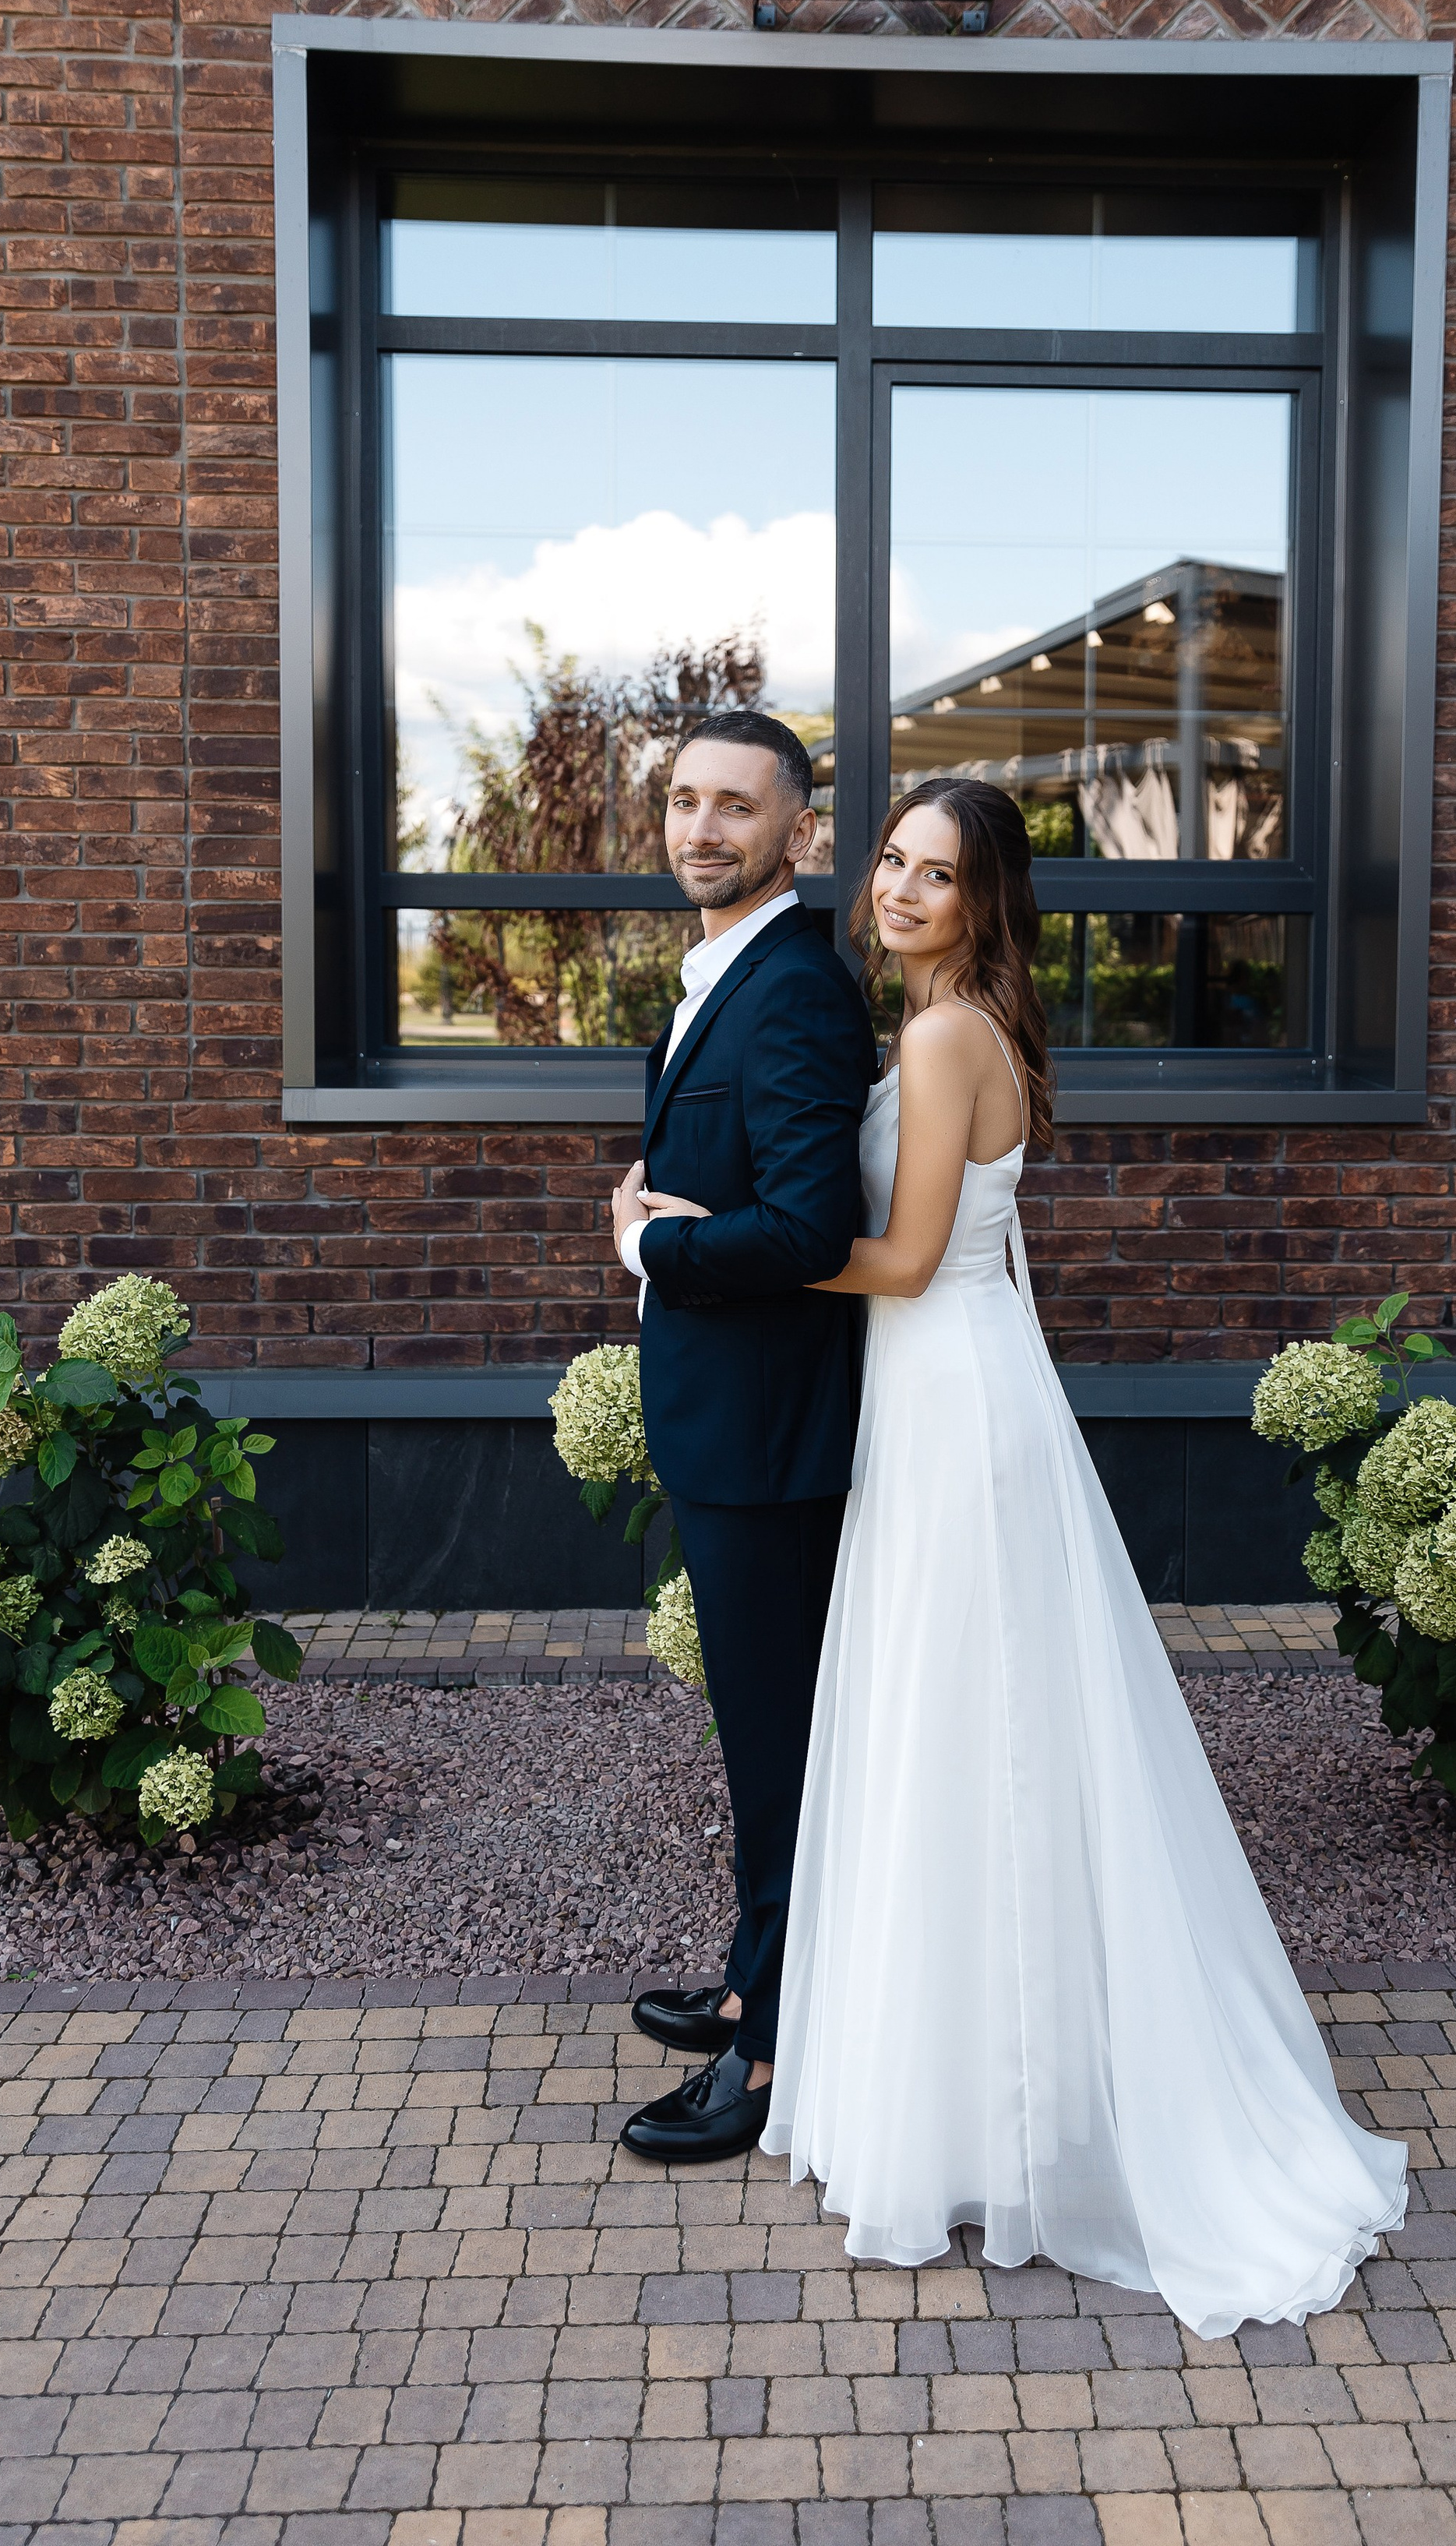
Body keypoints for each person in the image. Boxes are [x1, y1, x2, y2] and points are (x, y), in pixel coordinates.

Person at [753, 776, 1410, 2332]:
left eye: (935, 875)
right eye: (890, 862)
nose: (898, 891)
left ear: (984, 904)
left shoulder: (937, 1035)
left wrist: (731, 1248)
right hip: (951, 1399)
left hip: (951, 1399)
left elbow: (906, 1262)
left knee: (972, 1739)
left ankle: (996, 2113)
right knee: (979, 1736)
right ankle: (981, 2097)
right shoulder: (946, 1019)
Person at [608, 709, 878, 2167]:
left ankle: (770, 2059)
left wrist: (656, 1251)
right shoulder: (722, 973)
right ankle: (749, 1982)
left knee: (780, 1753)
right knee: (759, 1743)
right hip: (730, 1428)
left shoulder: (793, 992)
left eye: (735, 806)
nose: (701, 828)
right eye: (683, 800)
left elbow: (805, 1229)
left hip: (772, 1448)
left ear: (797, 833)